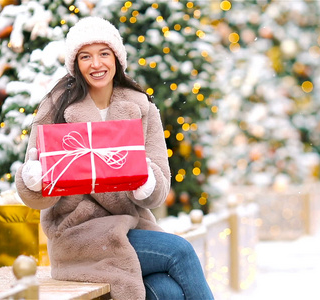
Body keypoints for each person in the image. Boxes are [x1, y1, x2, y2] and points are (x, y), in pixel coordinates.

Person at [15, 16, 214, 300]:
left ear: (117, 58)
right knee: (179, 250)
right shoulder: (55, 107)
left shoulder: (142, 107)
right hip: (77, 236)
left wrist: (146, 181)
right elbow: (37, 198)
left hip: (131, 225)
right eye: (86, 56)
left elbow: (159, 187)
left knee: (167, 291)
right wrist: (34, 180)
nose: (96, 64)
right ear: (75, 64)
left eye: (104, 54)